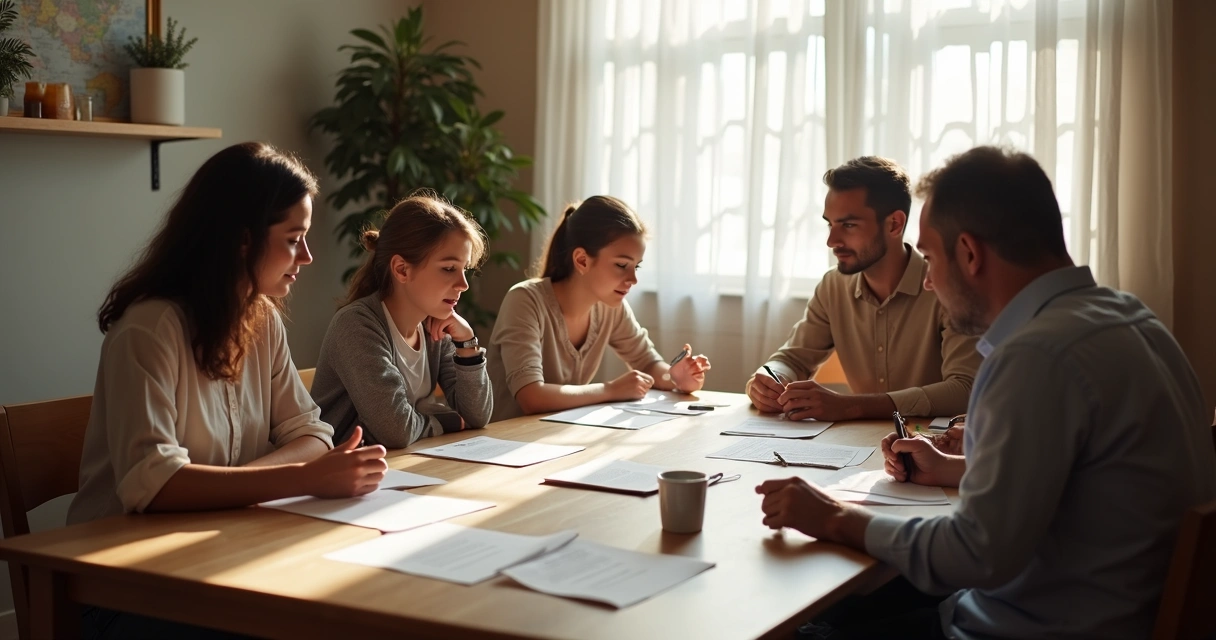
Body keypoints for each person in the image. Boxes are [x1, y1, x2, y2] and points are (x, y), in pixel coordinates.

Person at [757, 146, 1216, 639]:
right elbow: (1086, 480)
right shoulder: (1131, 319)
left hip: (1027, 627)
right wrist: (958, 467)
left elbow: (973, 553)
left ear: (970, 254)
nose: (928, 280)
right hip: (1104, 608)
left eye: (930, 258)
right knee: (849, 606)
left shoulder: (1035, 356)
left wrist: (833, 516)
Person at [69, 142, 387, 639]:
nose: (307, 256)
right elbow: (151, 484)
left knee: (358, 596)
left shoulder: (261, 321)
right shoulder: (150, 329)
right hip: (122, 584)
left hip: (217, 553)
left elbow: (311, 432)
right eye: (293, 238)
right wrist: (302, 479)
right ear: (241, 240)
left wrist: (252, 485)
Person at [746, 157, 981, 421]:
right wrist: (769, 378)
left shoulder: (946, 287)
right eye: (830, 224)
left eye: (848, 225)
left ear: (894, 224)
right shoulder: (833, 286)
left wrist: (852, 407)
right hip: (860, 446)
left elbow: (966, 389)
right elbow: (793, 359)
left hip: (935, 450)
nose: (831, 241)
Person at [487, 195, 711, 421]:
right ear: (582, 260)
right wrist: (610, 390)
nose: (633, 279)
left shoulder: (611, 307)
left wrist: (675, 377)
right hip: (504, 444)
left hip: (560, 438)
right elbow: (531, 396)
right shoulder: (525, 300)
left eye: (636, 266)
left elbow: (648, 363)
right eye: (622, 265)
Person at [311, 194, 493, 448]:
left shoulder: (435, 327)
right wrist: (448, 421)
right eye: (449, 269)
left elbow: (477, 415)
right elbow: (396, 431)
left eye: (465, 270)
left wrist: (467, 345)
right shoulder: (356, 325)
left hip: (405, 466)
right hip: (345, 477)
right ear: (402, 270)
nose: (463, 284)